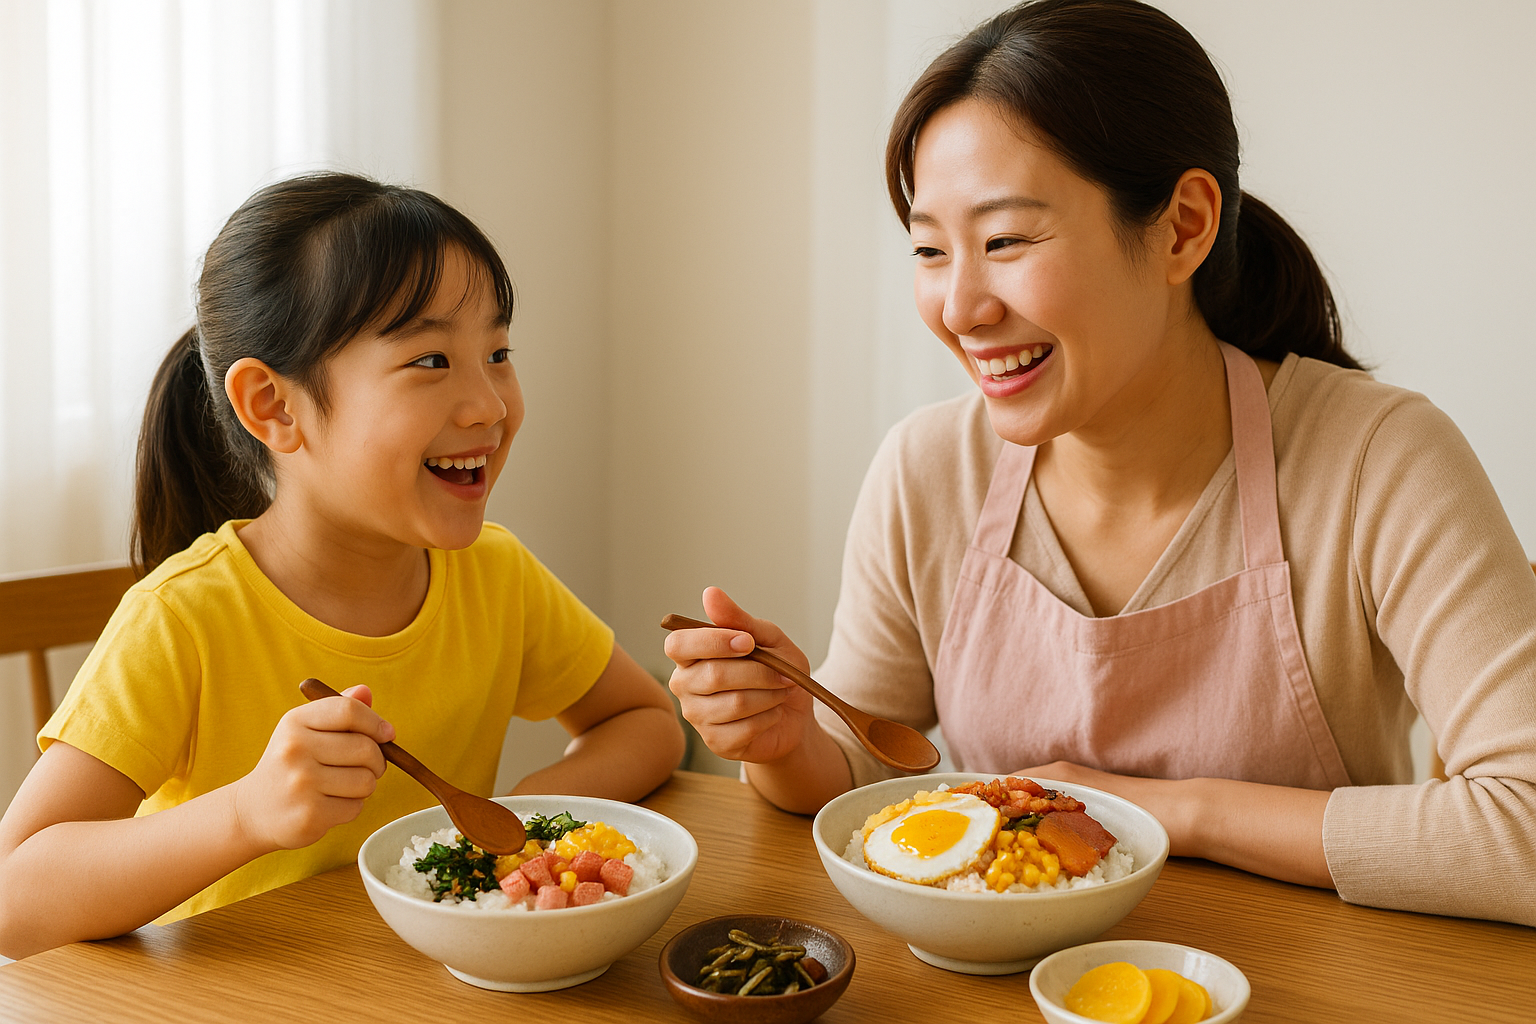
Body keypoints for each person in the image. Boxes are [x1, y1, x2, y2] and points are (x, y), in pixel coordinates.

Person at [665, 0, 1536, 926]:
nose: (959, 307)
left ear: (1183, 227)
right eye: (929, 250)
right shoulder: (928, 470)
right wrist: (780, 736)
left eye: (1005, 241)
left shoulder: (1377, 461)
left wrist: (1170, 810)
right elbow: (863, 764)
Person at [0, 173, 684, 959]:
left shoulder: (498, 577)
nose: (490, 404)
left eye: (497, 352)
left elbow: (645, 724)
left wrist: (519, 817)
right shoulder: (183, 618)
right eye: (431, 360)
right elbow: (15, 900)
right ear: (275, 407)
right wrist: (246, 814)